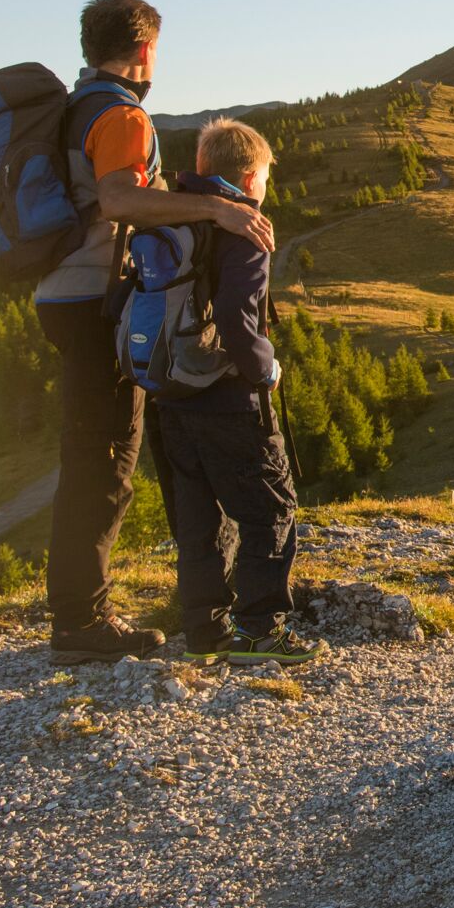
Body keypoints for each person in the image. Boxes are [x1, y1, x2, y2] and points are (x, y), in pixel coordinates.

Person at [35, 0, 276, 665]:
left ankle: (86, 613)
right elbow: (117, 199)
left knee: (95, 453)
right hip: (94, 302)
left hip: (63, 294)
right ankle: (81, 624)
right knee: (104, 460)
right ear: (145, 49)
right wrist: (216, 212)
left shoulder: (77, 104)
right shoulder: (120, 112)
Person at [159, 119, 317, 666]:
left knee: (199, 514)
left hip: (171, 391)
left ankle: (204, 631)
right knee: (270, 509)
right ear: (251, 177)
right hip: (227, 394)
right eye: (267, 177)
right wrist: (263, 368)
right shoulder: (246, 227)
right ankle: (260, 631)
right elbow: (234, 316)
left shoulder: (170, 215)